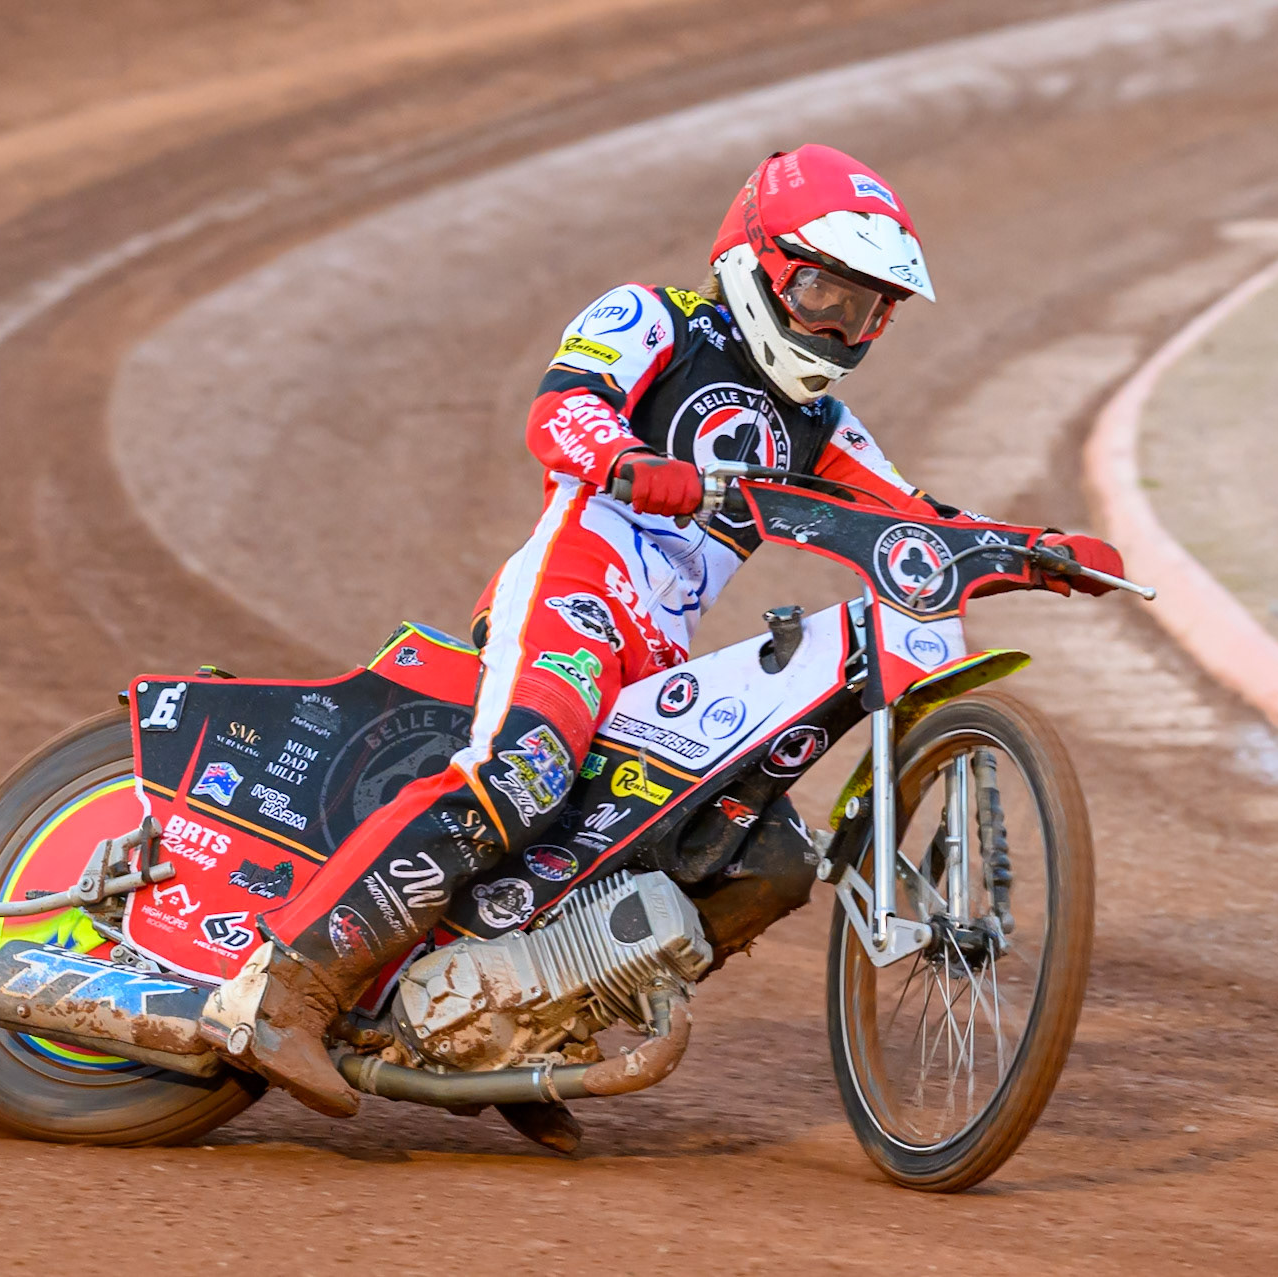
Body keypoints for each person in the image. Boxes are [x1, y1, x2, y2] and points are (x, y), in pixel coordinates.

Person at [198, 144, 1124, 1127]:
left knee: (763, 859)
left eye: (862, 310)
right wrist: (634, 463)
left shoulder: (819, 422)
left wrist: (1037, 549)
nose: (836, 327)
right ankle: (282, 986)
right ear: (755, 261)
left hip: (657, 649)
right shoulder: (650, 318)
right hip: (572, 593)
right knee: (522, 767)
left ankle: (529, 1021)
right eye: (819, 293)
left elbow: (914, 517)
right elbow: (560, 409)